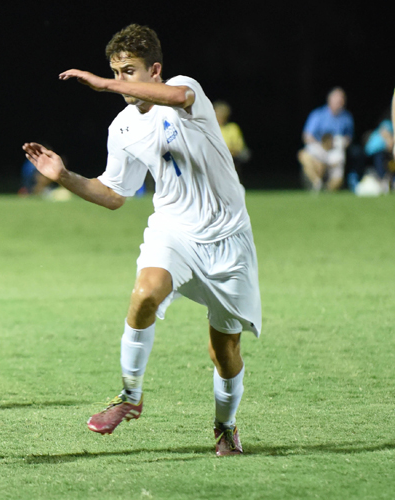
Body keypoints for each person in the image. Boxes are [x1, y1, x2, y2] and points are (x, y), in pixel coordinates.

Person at [22, 24, 262, 456]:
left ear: (155, 69)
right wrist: (64, 177)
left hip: (228, 239)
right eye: (114, 71)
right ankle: (130, 395)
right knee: (144, 293)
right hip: (173, 229)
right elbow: (115, 195)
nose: (120, 82)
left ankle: (225, 426)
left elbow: (177, 98)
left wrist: (101, 83)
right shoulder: (122, 128)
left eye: (129, 71)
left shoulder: (185, 90)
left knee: (224, 350)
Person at [298, 87, 354, 192]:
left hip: (336, 150)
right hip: (319, 147)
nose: (339, 102)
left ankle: (327, 189)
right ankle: (316, 182)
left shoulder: (347, 118)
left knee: (337, 181)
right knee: (303, 155)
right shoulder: (318, 115)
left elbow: (349, 138)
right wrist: (320, 145)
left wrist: (340, 143)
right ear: (330, 100)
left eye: (341, 100)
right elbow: (307, 135)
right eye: (337, 99)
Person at [213, 100, 250, 180]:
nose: (220, 117)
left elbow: (238, 147)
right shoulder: (207, 128)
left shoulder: (232, 128)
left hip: (230, 158)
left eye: (222, 114)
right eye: (218, 114)